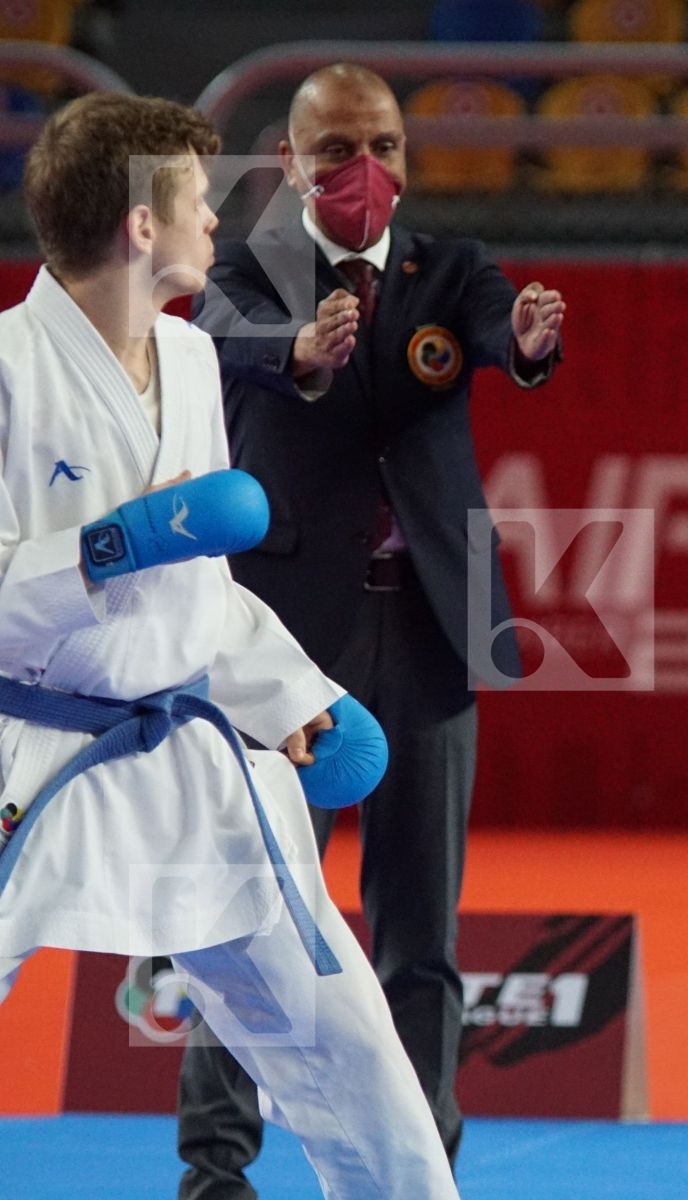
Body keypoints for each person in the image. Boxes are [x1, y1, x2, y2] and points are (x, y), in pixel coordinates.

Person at [0, 93, 459, 1197]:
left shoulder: (195, 361)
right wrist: (108, 548)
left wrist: (299, 699)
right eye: (199, 200)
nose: (217, 221)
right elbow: (128, 559)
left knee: (347, 1047)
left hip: (191, 755)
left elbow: (204, 590)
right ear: (140, 226)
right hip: (35, 754)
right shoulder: (9, 369)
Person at [176, 62, 566, 1197]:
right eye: (339, 149)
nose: (367, 171)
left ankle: (420, 1169)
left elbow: (501, 334)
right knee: (250, 912)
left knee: (421, 934)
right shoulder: (248, 268)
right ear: (291, 162)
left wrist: (531, 347)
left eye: (386, 145)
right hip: (286, 643)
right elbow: (218, 334)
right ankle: (215, 1174)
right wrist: (300, 356)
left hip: (435, 627)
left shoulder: (452, 269)